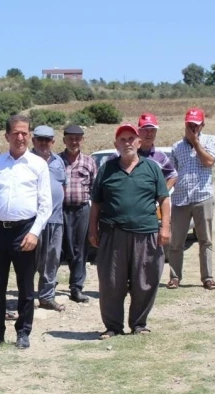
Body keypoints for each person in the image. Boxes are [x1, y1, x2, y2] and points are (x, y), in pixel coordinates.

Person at [88, 124, 170, 339]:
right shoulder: (107, 169)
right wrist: (92, 231)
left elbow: (164, 199)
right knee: (111, 282)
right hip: (112, 235)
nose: (127, 143)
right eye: (122, 139)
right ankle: (113, 326)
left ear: (139, 142)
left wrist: (166, 228)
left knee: (145, 281)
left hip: (146, 233)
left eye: (131, 139)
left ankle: (139, 324)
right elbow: (96, 203)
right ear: (116, 144)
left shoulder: (152, 168)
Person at [0, 114, 52, 349]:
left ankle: (23, 332)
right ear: (7, 135)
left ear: (29, 135)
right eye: (16, 133)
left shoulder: (38, 164)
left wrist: (34, 233)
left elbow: (45, 205)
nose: (20, 137)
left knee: (25, 286)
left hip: (25, 231)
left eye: (25, 133)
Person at [167, 108, 215, 290]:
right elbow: (172, 173)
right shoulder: (176, 147)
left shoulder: (211, 140)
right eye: (190, 125)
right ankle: (175, 277)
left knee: (205, 240)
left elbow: (209, 162)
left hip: (202, 197)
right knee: (176, 242)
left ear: (202, 125)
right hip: (180, 199)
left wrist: (196, 142)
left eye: (196, 125)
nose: (193, 128)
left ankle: (207, 277)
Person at [30, 125, 67, 312]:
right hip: (33, 220)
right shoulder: (26, 160)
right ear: (33, 140)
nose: (44, 143)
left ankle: (46, 296)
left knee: (52, 259)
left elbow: (63, 187)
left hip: (56, 219)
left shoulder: (59, 161)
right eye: (40, 139)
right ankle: (27, 298)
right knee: (30, 260)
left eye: (48, 140)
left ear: (53, 141)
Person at [60, 125, 96, 303]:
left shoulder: (89, 162)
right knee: (57, 248)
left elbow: (95, 188)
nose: (74, 141)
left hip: (82, 209)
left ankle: (76, 287)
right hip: (59, 210)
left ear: (82, 140)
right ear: (64, 139)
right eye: (71, 138)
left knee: (80, 249)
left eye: (78, 138)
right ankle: (49, 286)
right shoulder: (56, 160)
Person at [137, 113, 178, 190]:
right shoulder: (131, 153)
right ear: (138, 131)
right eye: (146, 130)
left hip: (151, 201)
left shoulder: (160, 156)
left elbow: (173, 175)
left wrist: (162, 194)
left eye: (152, 130)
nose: (149, 134)